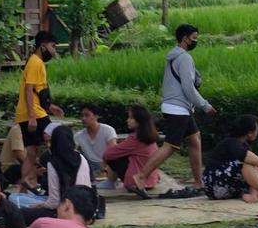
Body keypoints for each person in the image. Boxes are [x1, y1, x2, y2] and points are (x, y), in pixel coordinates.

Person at [131, 24, 216, 197]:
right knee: (170, 146)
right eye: (194, 38)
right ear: (184, 38)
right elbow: (188, 87)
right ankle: (140, 176)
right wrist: (204, 105)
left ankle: (199, 183)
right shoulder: (184, 58)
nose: (195, 41)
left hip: (178, 107)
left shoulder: (173, 56)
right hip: (178, 108)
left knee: (194, 140)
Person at [15, 31, 64, 189]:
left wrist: (50, 107)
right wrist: (32, 117)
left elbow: (37, 92)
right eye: (52, 46)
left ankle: (22, 188)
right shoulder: (36, 63)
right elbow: (28, 90)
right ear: (43, 46)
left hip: (30, 113)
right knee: (57, 142)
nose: (53, 50)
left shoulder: (35, 62)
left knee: (31, 154)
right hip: (35, 114)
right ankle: (61, 182)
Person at [203, 115, 258, 203]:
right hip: (215, 185)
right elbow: (250, 160)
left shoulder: (244, 145)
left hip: (229, 185)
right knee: (248, 164)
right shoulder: (231, 142)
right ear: (250, 133)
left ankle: (253, 196)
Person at [22, 125, 92, 224]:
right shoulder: (81, 158)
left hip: (64, 211)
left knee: (22, 212)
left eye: (49, 141)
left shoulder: (53, 162)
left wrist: (40, 205)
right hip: (84, 209)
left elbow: (54, 202)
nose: (47, 145)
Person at [102, 104, 160, 191]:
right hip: (151, 181)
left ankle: (110, 182)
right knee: (119, 153)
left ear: (140, 120)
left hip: (136, 183)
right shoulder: (149, 136)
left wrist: (104, 161)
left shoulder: (135, 138)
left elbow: (108, 154)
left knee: (113, 157)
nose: (127, 120)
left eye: (131, 118)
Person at [74, 104, 117, 178]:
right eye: (82, 116)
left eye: (87, 115)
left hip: (107, 164)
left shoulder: (108, 130)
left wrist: (105, 167)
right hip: (89, 166)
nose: (83, 118)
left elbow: (113, 151)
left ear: (96, 116)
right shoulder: (78, 136)